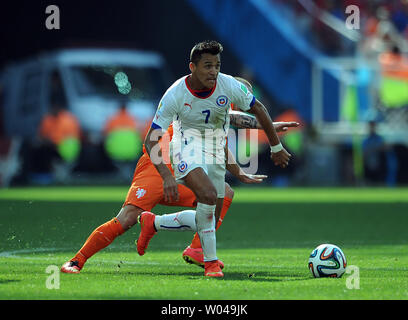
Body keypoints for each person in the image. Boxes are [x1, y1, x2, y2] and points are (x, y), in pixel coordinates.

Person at [137, 40, 291, 277]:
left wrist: (276, 146)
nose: (213, 71)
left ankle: (154, 223)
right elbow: (151, 140)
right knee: (207, 196)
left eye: (217, 65)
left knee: (208, 218)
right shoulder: (175, 94)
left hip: (214, 149)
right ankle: (211, 263)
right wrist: (166, 176)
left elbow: (257, 109)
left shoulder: (227, 85)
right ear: (192, 67)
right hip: (185, 144)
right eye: (207, 66)